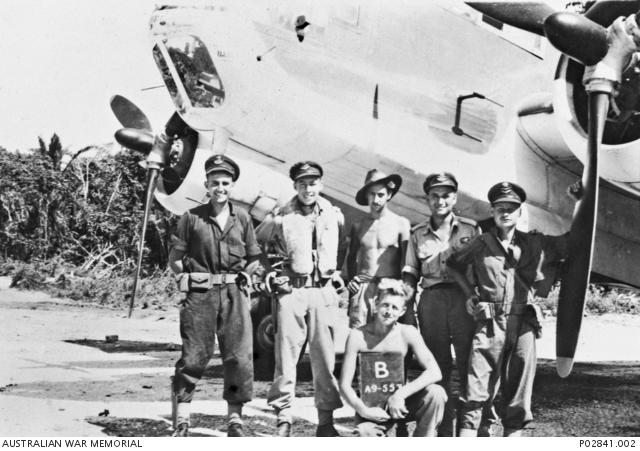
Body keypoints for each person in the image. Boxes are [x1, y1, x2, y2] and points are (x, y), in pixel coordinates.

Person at [448, 181, 575, 437]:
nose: (505, 213)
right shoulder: (481, 243)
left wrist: (576, 203)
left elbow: (571, 241)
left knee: (518, 395)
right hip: (489, 325)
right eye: (499, 208)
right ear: (493, 212)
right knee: (475, 391)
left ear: (519, 213)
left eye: (511, 208)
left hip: (523, 324)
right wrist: (469, 293)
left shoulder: (536, 244)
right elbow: (453, 264)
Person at [167, 154, 262, 437]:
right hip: (200, 295)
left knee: (238, 357)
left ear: (232, 186)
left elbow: (254, 256)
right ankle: (182, 418)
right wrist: (187, 280)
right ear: (206, 185)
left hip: (234, 295)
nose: (221, 187)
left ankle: (235, 419)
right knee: (194, 356)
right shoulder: (191, 218)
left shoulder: (242, 218)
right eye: (215, 182)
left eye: (226, 182)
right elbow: (175, 258)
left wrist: (248, 273)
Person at [255, 161, 347, 437]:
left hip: (323, 293)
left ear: (321, 184)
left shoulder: (335, 215)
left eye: (313, 182)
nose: (309, 188)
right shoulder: (280, 216)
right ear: (295, 185)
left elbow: (344, 246)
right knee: (287, 358)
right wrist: (270, 274)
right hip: (292, 292)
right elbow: (256, 247)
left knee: (325, 359)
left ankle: (325, 422)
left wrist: (337, 272)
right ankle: (284, 418)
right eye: (303, 183)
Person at [401, 172, 492, 436]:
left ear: (454, 198)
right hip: (431, 301)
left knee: (467, 363)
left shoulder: (470, 228)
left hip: (462, 299)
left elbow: (480, 268)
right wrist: (407, 308)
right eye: (435, 196)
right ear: (427, 199)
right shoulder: (417, 233)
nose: (440, 201)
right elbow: (410, 272)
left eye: (446, 196)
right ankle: (444, 428)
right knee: (437, 366)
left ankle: (468, 427)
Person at [339, 279, 447, 437]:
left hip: (401, 403)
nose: (389, 311)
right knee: (365, 432)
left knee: (436, 394)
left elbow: (434, 372)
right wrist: (363, 409)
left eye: (395, 307)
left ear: (402, 311)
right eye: (385, 305)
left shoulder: (407, 333)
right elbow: (344, 385)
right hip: (372, 406)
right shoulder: (357, 336)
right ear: (375, 304)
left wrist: (400, 395)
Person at [346, 169, 411, 329]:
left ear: (389, 195)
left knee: (387, 338)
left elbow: (406, 261)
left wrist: (402, 290)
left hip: (389, 288)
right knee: (359, 333)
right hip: (364, 288)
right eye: (371, 194)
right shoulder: (358, 225)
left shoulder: (401, 224)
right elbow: (351, 257)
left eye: (380, 195)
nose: (375, 199)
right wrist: (353, 280)